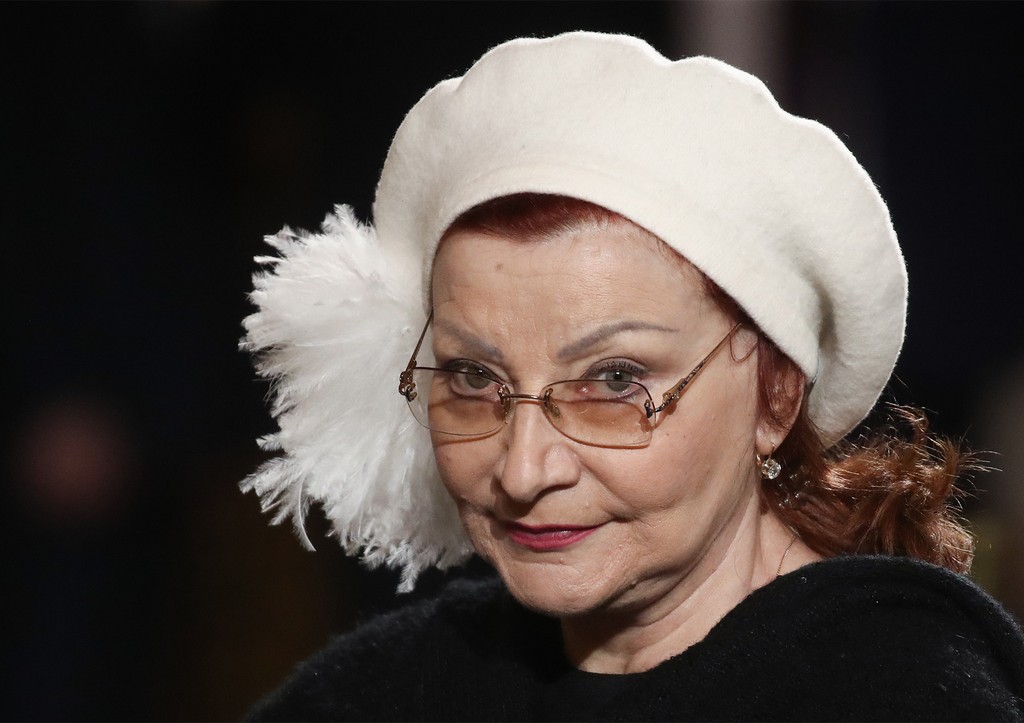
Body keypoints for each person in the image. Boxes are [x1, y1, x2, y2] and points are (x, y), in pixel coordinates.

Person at [240, 32, 1024, 720]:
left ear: (776, 393)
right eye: (474, 377)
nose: (522, 469)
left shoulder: (901, 694)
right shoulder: (388, 688)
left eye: (614, 380)